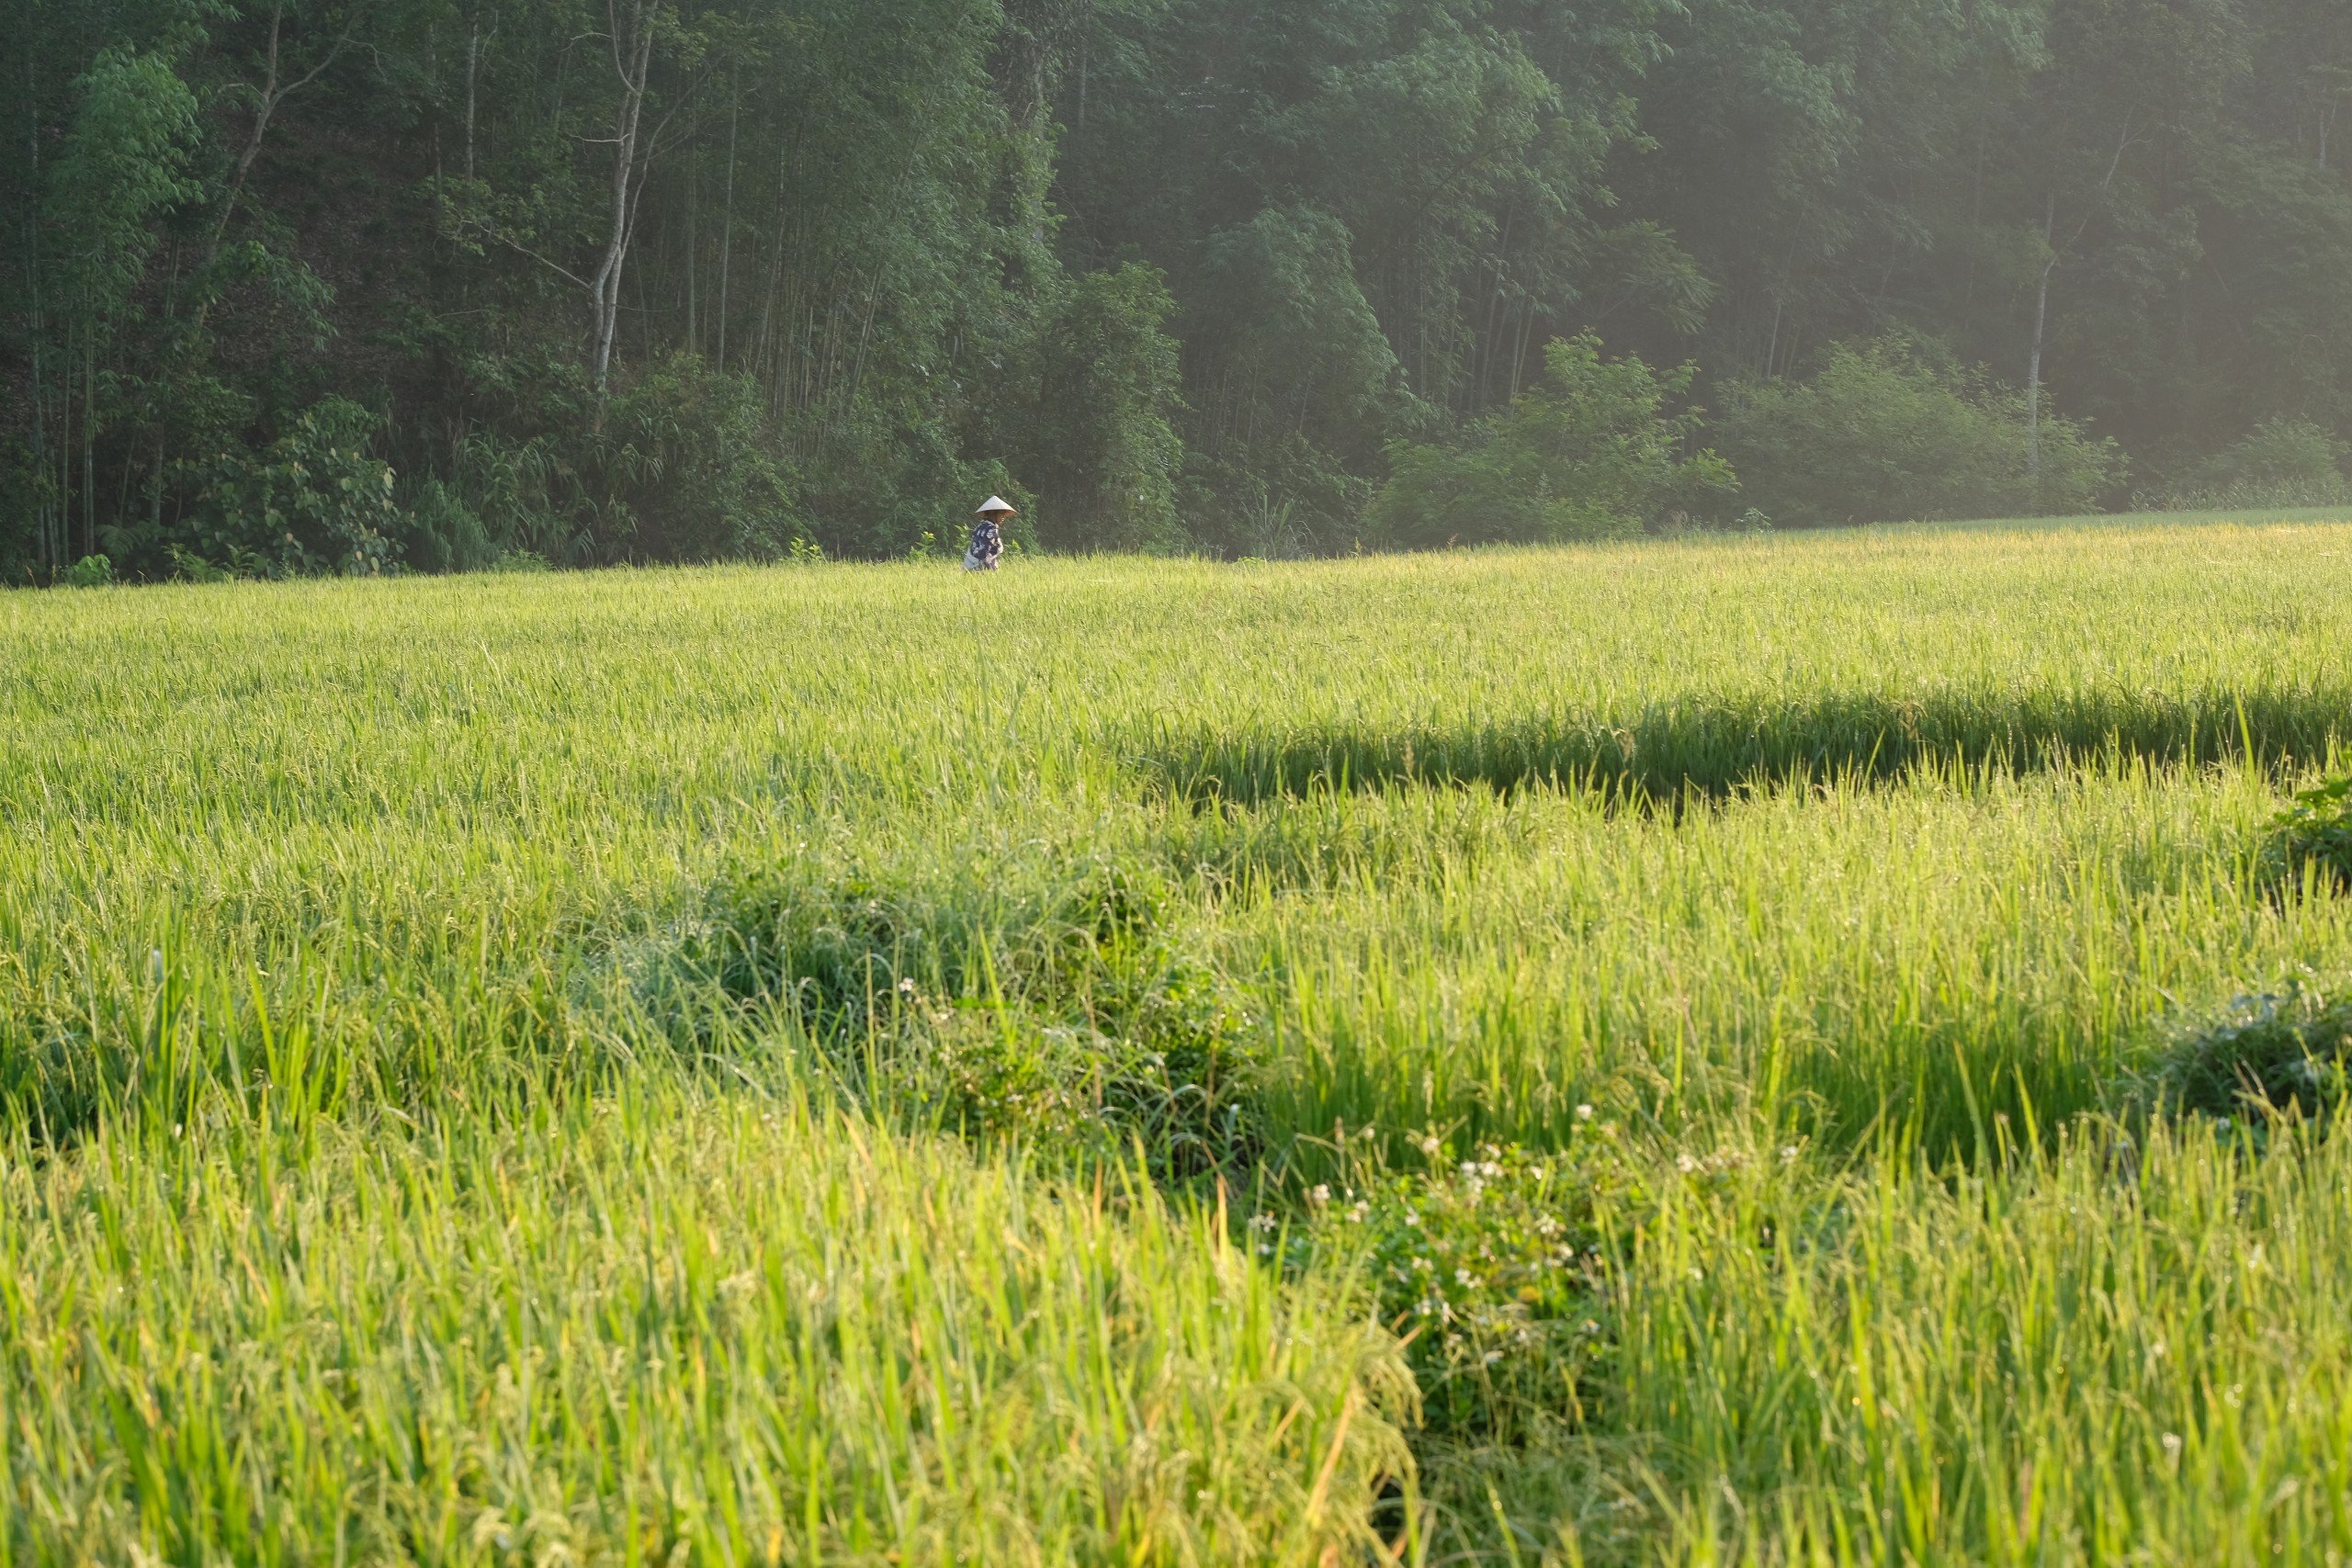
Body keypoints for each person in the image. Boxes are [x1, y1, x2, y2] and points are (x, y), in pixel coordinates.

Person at [964, 496, 1013, 571]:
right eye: (1001, 514)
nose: (1004, 517)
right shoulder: (991, 528)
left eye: (1004, 514)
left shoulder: (981, 526)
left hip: (970, 565)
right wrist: (986, 568)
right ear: (993, 514)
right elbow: (985, 550)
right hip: (980, 569)